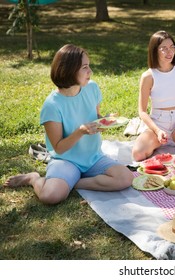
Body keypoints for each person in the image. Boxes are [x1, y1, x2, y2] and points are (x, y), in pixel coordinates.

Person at [3, 44, 134, 205]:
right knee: (49, 196)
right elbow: (58, 148)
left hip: (93, 157)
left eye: (89, 66)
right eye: (85, 67)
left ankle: (72, 183)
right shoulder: (52, 105)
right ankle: (34, 178)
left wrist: (105, 121)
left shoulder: (91, 88)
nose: (90, 72)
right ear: (70, 71)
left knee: (126, 178)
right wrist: (80, 132)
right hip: (66, 160)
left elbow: (96, 118)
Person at [131, 30, 175, 162]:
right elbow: (142, 112)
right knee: (137, 154)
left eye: (172, 47)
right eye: (164, 48)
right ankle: (161, 142)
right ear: (154, 51)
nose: (170, 52)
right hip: (157, 123)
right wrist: (157, 131)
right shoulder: (148, 76)